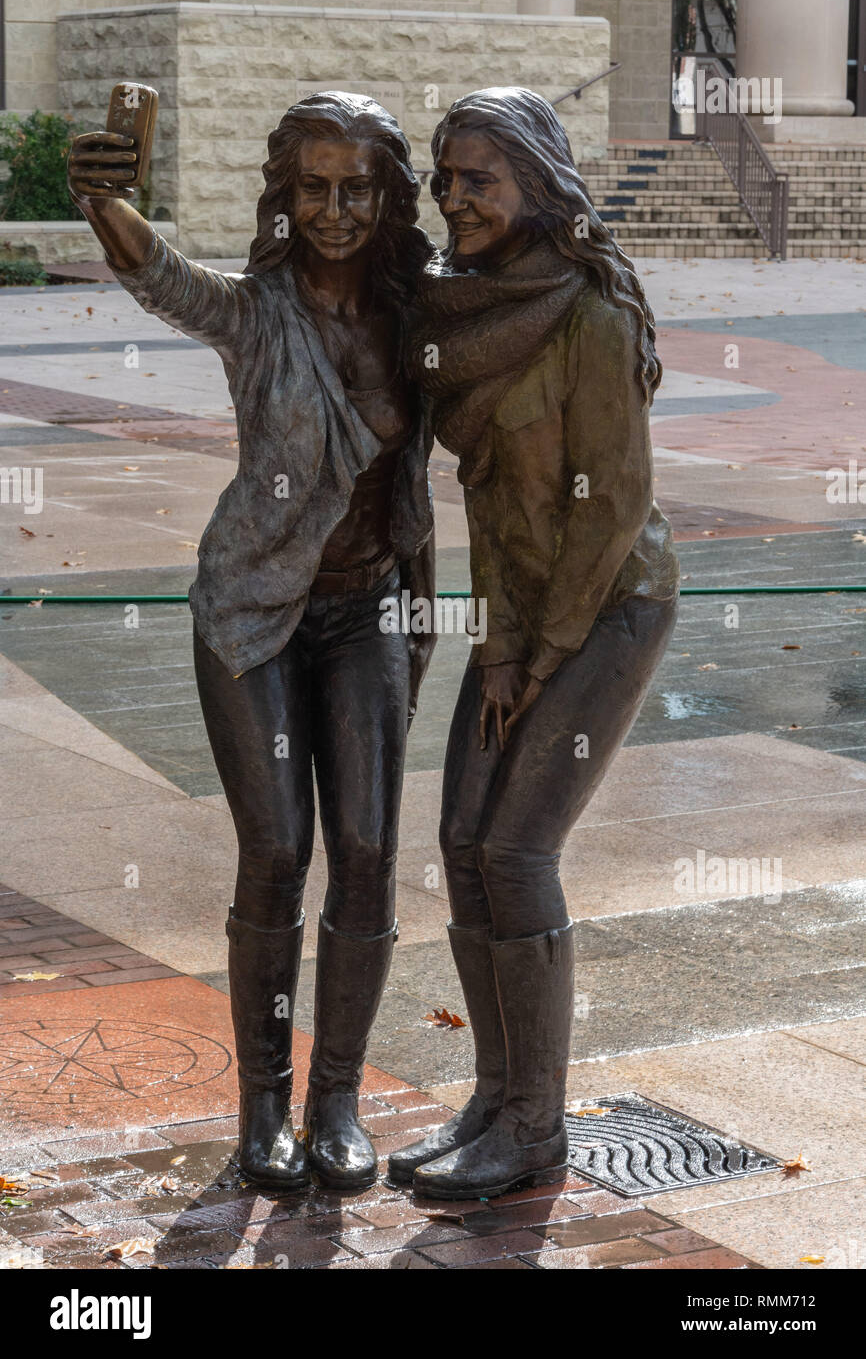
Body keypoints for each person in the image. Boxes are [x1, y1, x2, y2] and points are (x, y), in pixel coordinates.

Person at [68, 92, 436, 1190]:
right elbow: (163, 276)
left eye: (355, 188)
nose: (333, 209)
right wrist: (102, 200)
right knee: (277, 853)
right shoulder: (258, 311)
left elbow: (524, 313)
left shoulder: (416, 311)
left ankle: (339, 1105)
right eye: (312, 187)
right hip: (253, 615)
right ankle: (263, 1108)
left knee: (365, 853)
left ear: (384, 195)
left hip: (370, 608)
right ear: (285, 193)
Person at [388, 88, 680, 1199]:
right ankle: (492, 1098)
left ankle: (537, 1127)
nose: (455, 198)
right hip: (521, 609)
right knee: (462, 839)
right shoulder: (466, 316)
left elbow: (605, 507)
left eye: (479, 180)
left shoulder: (589, 318)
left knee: (515, 851)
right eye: (445, 178)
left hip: (607, 604)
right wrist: (500, 648)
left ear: (537, 186)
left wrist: (545, 651)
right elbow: (495, 502)